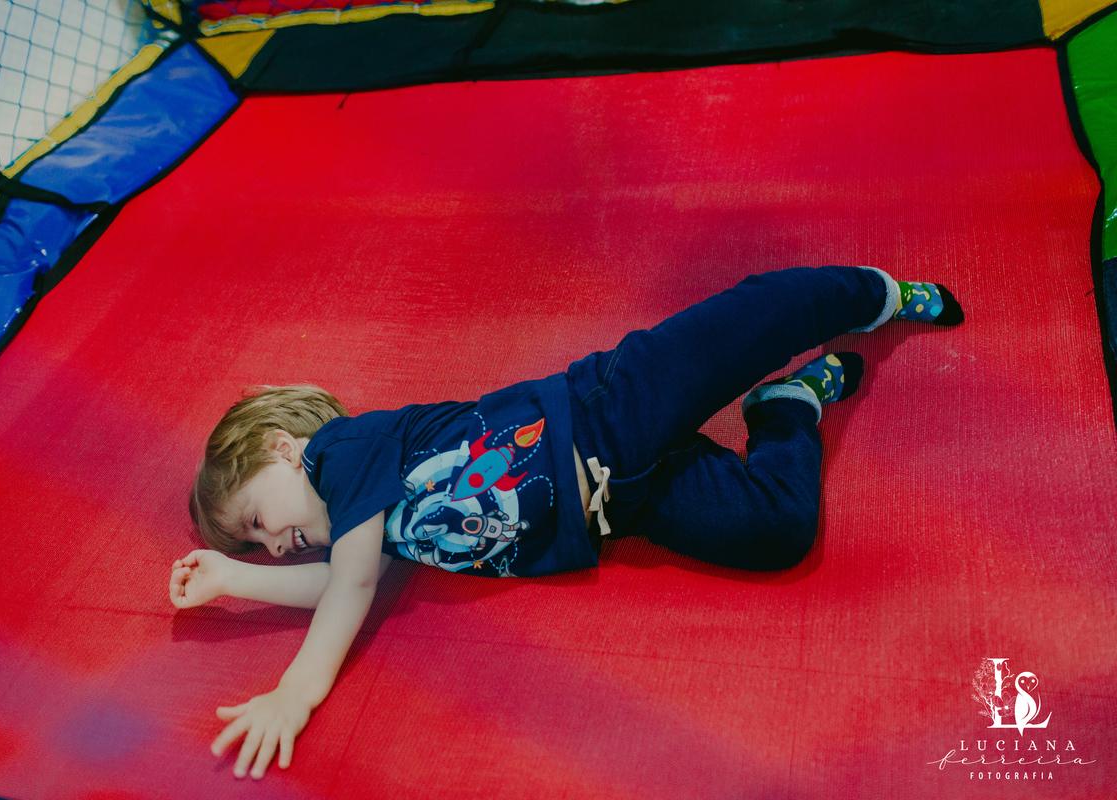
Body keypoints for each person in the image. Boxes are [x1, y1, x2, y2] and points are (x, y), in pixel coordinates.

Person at [169, 265, 962, 779]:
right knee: (778, 530)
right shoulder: (373, 530)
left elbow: (351, 583)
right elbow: (345, 584)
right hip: (624, 506)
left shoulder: (341, 456)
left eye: (258, 522)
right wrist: (233, 576)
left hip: (607, 412)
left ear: (281, 448)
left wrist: (296, 694)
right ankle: (788, 409)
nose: (276, 544)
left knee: (749, 324)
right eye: (263, 547)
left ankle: (873, 291)